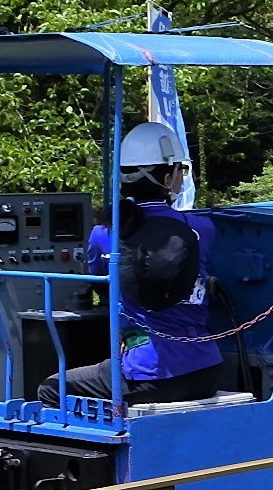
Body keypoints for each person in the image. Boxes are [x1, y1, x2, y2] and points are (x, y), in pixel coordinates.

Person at [37, 120, 222, 408]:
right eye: (181, 171)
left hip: (146, 372)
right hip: (204, 368)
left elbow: (102, 287)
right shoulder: (201, 228)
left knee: (50, 389)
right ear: (167, 177)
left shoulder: (104, 234)